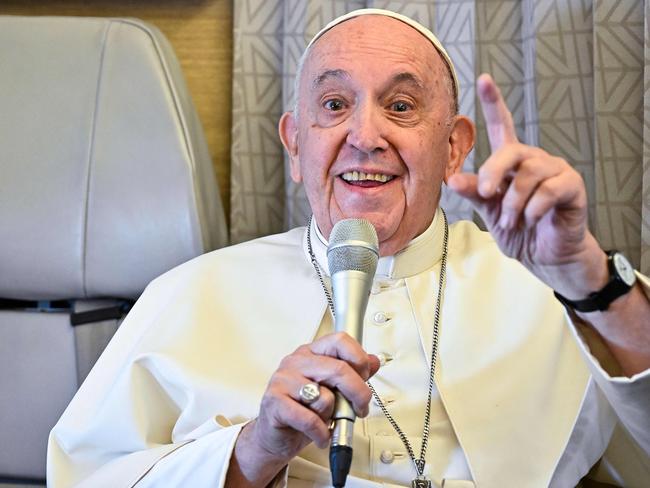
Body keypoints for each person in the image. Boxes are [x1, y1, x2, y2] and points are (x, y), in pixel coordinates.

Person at [47, 8, 650, 488]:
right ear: (293, 144)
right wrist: (254, 450)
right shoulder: (190, 293)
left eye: (401, 106)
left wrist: (590, 280)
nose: (365, 136)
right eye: (334, 106)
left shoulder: (553, 284)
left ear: (455, 147)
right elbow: (88, 475)